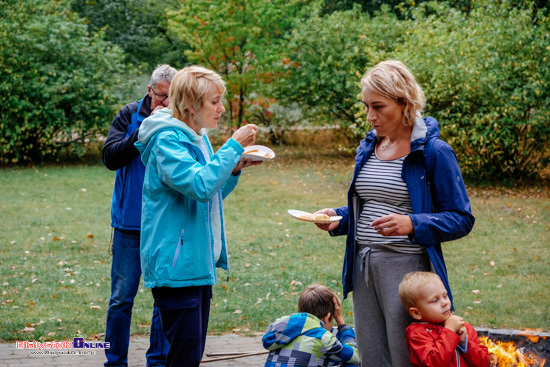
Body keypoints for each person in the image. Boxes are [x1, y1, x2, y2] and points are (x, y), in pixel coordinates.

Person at [314, 60, 475, 366]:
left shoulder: (434, 152)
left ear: (405, 103)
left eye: (378, 106)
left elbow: (461, 218)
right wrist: (339, 218)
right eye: (366, 106)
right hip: (363, 265)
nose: (369, 116)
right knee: (372, 355)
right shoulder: (369, 145)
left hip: (407, 272)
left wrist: (412, 224)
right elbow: (368, 205)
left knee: (406, 356)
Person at [134, 65, 261, 367]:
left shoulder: (196, 136)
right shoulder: (168, 140)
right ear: (191, 106)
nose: (221, 108)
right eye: (214, 102)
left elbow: (206, 196)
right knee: (183, 358)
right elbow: (200, 184)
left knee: (190, 355)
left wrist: (231, 170)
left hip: (195, 263)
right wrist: (232, 146)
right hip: (177, 268)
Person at [102, 64, 177, 367]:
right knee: (121, 299)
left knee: (164, 300)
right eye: (161, 97)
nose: (166, 104)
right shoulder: (129, 114)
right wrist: (143, 131)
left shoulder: (182, 121)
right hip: (129, 225)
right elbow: (110, 157)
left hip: (165, 224)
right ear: (150, 91)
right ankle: (115, 361)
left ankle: (157, 362)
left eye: (173, 98)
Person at [398, 271, 489, 366]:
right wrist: (449, 331)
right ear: (416, 313)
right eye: (435, 300)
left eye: (445, 296)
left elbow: (484, 363)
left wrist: (465, 343)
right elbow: (433, 363)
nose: (445, 302)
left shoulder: (463, 326)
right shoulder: (417, 334)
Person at [262, 284, 360, 367]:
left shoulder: (280, 325)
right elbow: (356, 356)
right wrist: (340, 321)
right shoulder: (322, 337)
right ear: (327, 316)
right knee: (351, 363)